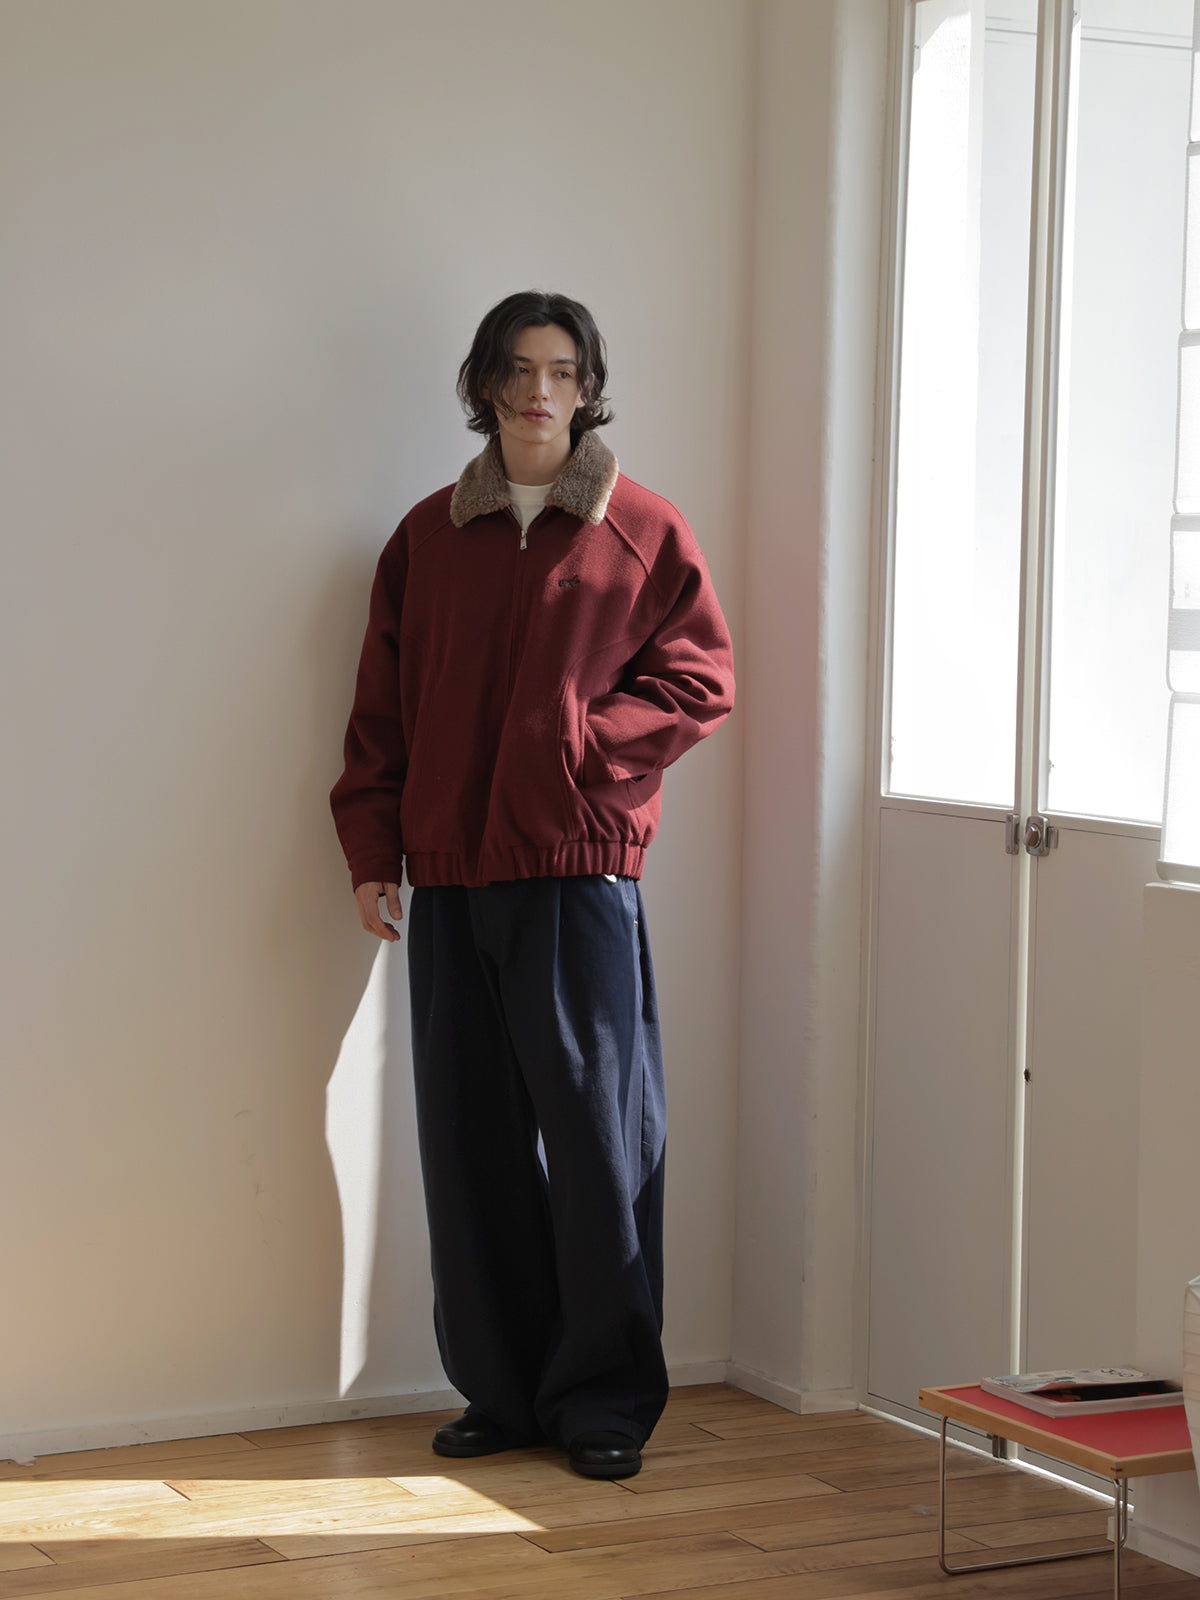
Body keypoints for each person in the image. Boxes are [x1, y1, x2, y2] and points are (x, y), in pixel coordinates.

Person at [330, 290, 734, 1480]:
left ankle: (603, 1396)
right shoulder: (427, 537)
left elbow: (699, 682)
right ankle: (502, 1392)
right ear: (486, 385)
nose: (539, 390)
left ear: (588, 386)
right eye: (517, 369)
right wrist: (373, 849)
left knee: (600, 1145)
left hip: (575, 879)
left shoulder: (640, 528)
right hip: (451, 880)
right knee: (471, 1147)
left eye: (561, 369)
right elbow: (381, 710)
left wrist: (576, 752)